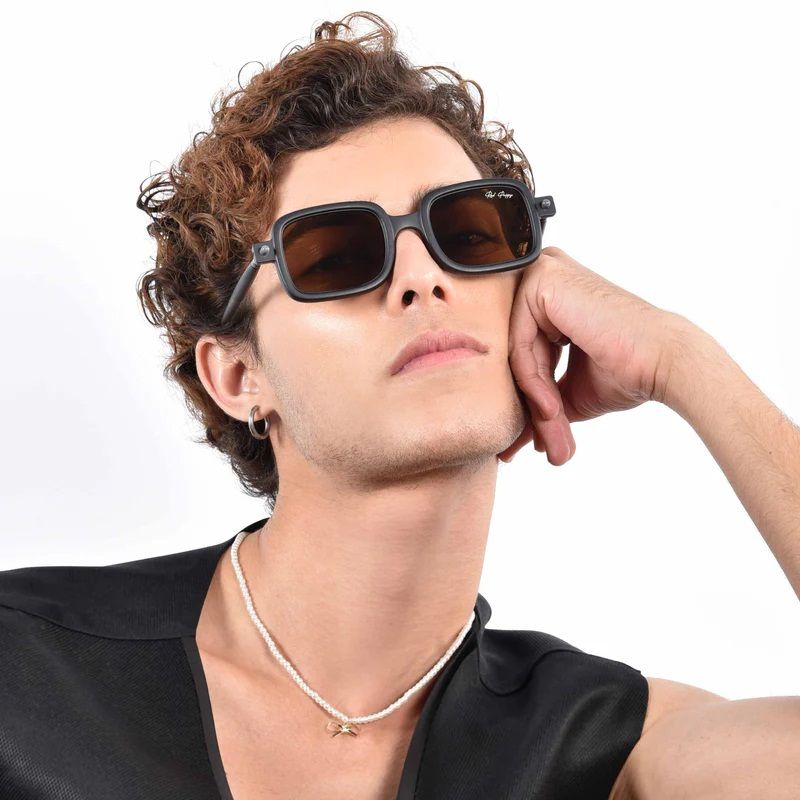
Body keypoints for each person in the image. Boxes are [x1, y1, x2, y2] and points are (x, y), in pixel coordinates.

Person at [2, 11, 799, 800]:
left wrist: (681, 360)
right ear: (239, 376)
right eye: (337, 255)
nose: (422, 277)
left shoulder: (607, 750)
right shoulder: (26, 670)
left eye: (470, 233)